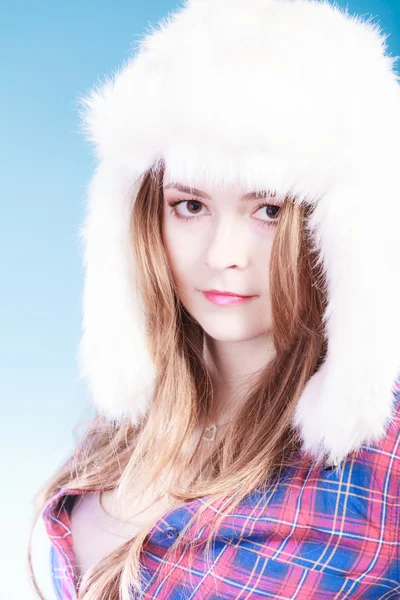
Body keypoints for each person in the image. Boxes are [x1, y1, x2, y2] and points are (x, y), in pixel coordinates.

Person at [27, 0, 400, 598]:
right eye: (191, 205)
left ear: (344, 231)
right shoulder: (124, 430)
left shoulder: (383, 460)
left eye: (270, 210)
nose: (225, 254)